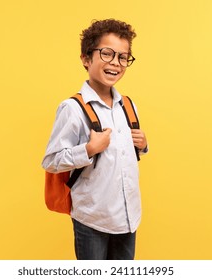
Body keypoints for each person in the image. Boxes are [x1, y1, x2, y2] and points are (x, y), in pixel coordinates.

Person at [42, 19, 148, 260]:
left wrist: (142, 145)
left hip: (128, 216)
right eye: (107, 53)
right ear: (86, 58)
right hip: (92, 218)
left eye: (123, 57)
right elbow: (51, 161)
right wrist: (88, 149)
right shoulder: (73, 108)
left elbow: (125, 155)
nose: (115, 63)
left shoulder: (128, 106)